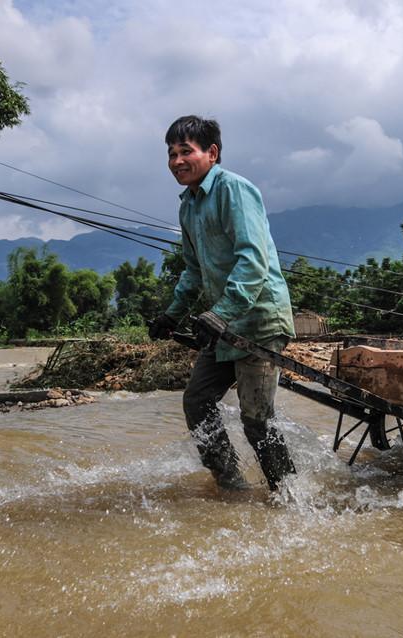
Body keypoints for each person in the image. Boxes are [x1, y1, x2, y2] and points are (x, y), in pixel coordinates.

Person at [149, 115, 298, 490]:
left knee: (256, 419)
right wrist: (172, 314)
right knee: (197, 402)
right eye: (171, 154)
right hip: (223, 326)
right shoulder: (188, 207)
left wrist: (220, 313)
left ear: (211, 153)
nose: (177, 161)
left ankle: (290, 497)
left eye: (186, 151)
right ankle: (232, 486)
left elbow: (253, 259)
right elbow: (193, 270)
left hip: (260, 319)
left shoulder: (234, 190)